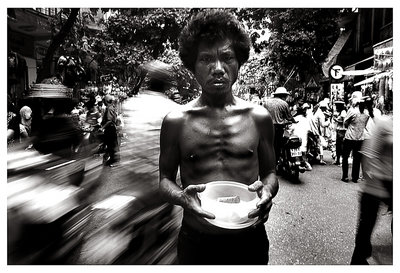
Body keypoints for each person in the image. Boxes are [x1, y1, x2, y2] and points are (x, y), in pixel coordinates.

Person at [159, 10, 278, 265]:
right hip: (197, 240)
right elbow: (164, 180)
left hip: (249, 238)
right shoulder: (175, 121)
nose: (218, 69)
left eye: (227, 57)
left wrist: (267, 192)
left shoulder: (259, 117)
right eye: (205, 59)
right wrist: (181, 197)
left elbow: (270, 174)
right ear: (193, 66)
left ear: (239, 63)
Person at [350, 113, 392, 264]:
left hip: (389, 184)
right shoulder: (385, 123)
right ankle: (359, 260)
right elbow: (369, 154)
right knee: (365, 229)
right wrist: (372, 177)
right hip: (377, 185)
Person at [263, 86, 297, 166]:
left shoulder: (267, 102)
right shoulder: (284, 104)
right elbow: (289, 117)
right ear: (283, 95)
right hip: (278, 128)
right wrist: (294, 121)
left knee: (269, 145)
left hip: (267, 127)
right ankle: (275, 162)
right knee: (278, 145)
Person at [341, 92, 370, 183]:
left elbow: (345, 123)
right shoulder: (366, 113)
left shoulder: (352, 111)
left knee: (345, 157)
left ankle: (345, 176)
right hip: (360, 138)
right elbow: (365, 124)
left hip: (350, 137)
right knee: (357, 158)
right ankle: (355, 177)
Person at [307, 100, 330, 165]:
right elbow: (323, 124)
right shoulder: (320, 114)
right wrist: (328, 122)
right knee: (320, 145)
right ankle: (321, 159)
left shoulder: (313, 111)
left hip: (309, 130)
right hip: (315, 131)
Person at [292, 103, 312, 171]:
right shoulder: (305, 120)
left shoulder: (294, 119)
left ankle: (297, 161)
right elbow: (309, 130)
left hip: (295, 139)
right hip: (303, 138)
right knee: (303, 151)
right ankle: (305, 163)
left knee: (296, 150)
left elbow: (291, 128)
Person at [101, 94, 119, 166]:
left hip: (110, 129)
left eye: (104, 101)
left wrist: (102, 128)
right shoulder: (112, 107)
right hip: (111, 128)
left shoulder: (109, 108)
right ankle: (111, 159)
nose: (104, 102)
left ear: (107, 101)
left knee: (111, 145)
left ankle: (113, 160)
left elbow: (109, 121)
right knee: (111, 144)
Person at [332, 100, 347, 165]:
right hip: (339, 130)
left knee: (341, 146)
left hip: (342, 130)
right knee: (338, 146)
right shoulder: (340, 112)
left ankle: (341, 160)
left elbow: (344, 121)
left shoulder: (343, 112)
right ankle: (338, 160)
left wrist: (337, 120)